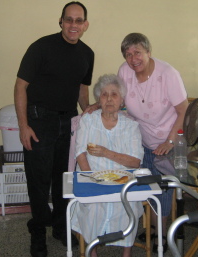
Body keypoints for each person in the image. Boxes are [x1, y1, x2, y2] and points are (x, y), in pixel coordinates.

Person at [14, 1, 94, 257]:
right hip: (39, 122)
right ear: (61, 22)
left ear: (85, 25)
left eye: (78, 20)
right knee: (38, 183)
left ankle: (61, 228)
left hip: (68, 122)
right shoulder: (41, 47)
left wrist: (89, 113)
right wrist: (23, 125)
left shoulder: (87, 54)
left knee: (64, 181)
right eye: (68, 20)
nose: (73, 25)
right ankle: (37, 234)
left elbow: (82, 90)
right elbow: (20, 87)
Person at [117, 32, 189, 253]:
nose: (133, 59)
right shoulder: (124, 72)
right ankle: (154, 228)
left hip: (168, 141)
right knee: (144, 186)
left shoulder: (168, 74)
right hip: (142, 139)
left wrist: (170, 141)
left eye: (137, 52)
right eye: (128, 54)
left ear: (148, 52)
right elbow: (118, 100)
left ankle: (163, 233)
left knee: (162, 190)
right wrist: (96, 106)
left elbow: (184, 110)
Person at [72, 74, 143, 257]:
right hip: (93, 177)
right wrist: (91, 179)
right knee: (93, 205)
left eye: (114, 94)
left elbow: (135, 161)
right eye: (104, 94)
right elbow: (80, 152)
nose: (109, 99)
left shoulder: (131, 126)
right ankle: (92, 251)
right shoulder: (88, 120)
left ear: (122, 100)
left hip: (122, 180)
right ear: (98, 99)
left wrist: (106, 152)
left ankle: (126, 253)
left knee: (129, 203)